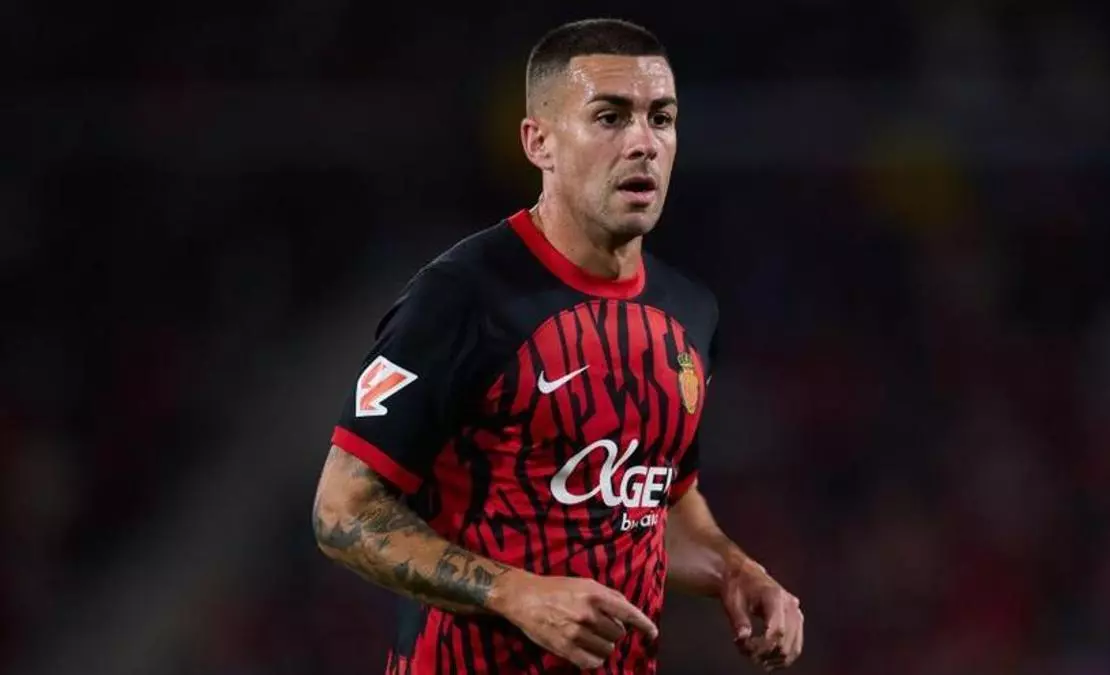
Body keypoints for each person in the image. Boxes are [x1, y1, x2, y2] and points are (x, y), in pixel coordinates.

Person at [312, 17, 804, 674]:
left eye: (661, 118)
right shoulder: (462, 299)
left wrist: (736, 570)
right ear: (538, 142)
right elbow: (342, 510)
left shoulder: (689, 312)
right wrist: (514, 593)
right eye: (610, 117)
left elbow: (657, 502)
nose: (643, 143)